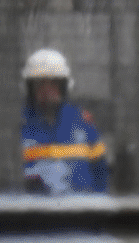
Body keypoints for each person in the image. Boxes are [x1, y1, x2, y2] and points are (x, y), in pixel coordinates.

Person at [20, 48, 109, 195]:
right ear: (30, 88)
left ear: (65, 86)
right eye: (40, 84)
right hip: (34, 212)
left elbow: (100, 171)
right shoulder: (16, 125)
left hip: (82, 210)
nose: (47, 90)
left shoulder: (83, 121)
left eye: (54, 83)